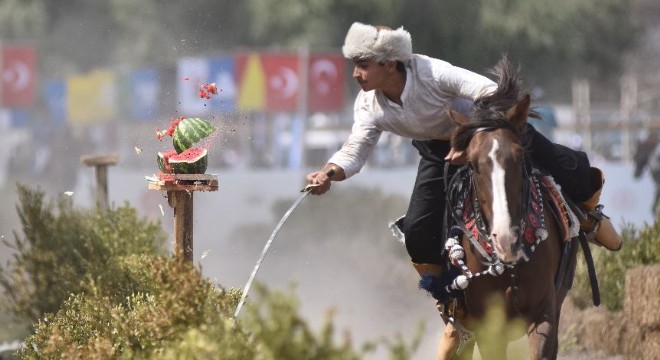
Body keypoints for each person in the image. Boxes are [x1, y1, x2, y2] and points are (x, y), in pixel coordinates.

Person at [304, 22, 621, 359]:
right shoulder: (367, 104)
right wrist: (330, 172)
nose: (355, 74)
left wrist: (470, 139)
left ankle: (586, 217)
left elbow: (490, 92)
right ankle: (456, 307)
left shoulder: (431, 72)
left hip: (487, 134)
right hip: (437, 153)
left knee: (571, 168)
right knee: (417, 234)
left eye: (363, 64)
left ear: (388, 63)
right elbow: (356, 148)